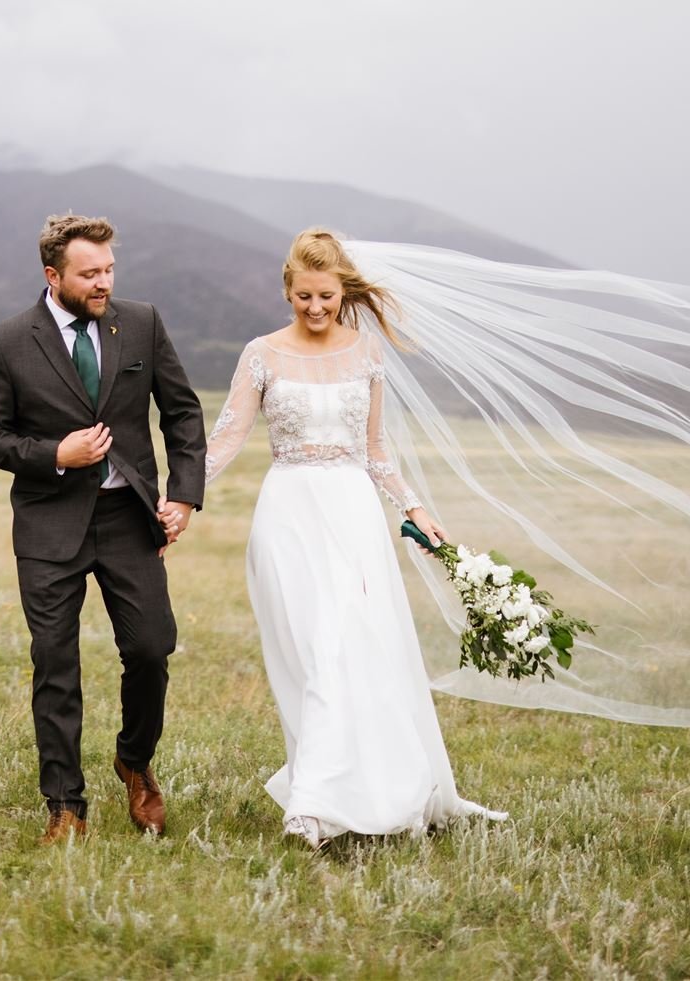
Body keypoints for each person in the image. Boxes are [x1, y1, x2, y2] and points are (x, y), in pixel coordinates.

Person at [203, 228, 508, 850]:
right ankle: (318, 799)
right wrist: (176, 495)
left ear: (343, 290)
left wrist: (415, 507)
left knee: (348, 650)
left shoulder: (367, 353)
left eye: (325, 297)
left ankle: (319, 803)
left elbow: (374, 451)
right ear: (287, 289)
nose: (315, 309)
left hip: (351, 515)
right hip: (287, 513)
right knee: (310, 655)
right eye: (303, 297)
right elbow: (227, 438)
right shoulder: (261, 354)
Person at [0, 214, 207, 845]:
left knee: (153, 648)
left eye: (108, 270)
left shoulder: (143, 322)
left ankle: (134, 759)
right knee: (55, 662)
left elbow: (181, 412)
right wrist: (55, 454)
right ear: (54, 276)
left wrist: (183, 496)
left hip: (129, 518)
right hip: (50, 524)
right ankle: (65, 807)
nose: (103, 283)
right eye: (89, 273)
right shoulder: (7, 341)